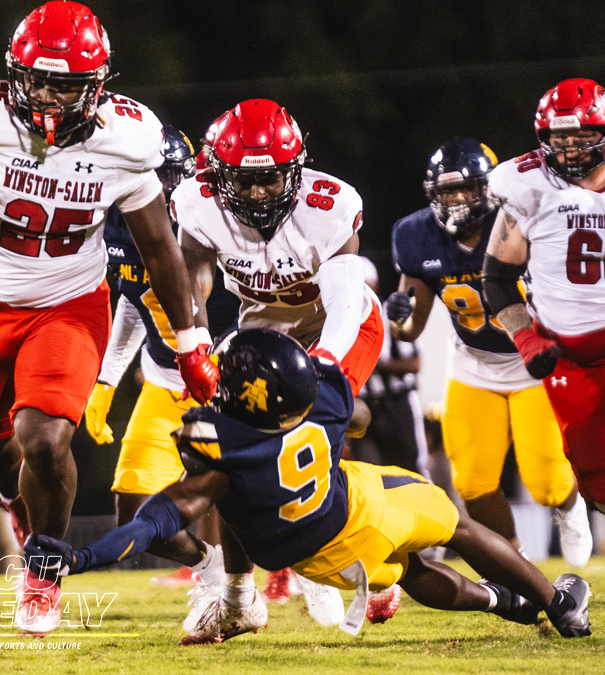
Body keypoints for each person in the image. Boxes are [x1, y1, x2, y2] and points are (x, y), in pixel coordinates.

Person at [0, 0, 217, 635]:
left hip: (71, 302)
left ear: (97, 85)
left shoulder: (127, 139)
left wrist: (193, 340)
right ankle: (25, 509)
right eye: (38, 79)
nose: (49, 95)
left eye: (66, 83)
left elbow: (158, 248)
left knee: (44, 438)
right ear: (15, 73)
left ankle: (42, 575)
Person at [25, 328, 593, 641]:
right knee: (459, 529)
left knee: (412, 571)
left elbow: (150, 522)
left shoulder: (219, 451)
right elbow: (361, 414)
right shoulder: (323, 400)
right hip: (355, 506)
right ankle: (558, 604)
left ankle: (503, 603)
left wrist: (78, 556)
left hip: (311, 559)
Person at [175, 99, 389, 622]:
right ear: (217, 172)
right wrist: (198, 342)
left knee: (306, 432)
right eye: (243, 181)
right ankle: (237, 596)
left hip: (342, 324)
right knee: (219, 446)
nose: (256, 193)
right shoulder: (197, 202)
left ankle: (350, 567)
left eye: (269, 179)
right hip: (262, 328)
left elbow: (343, 293)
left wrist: (323, 367)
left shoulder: (330, 204)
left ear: (295, 169)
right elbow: (195, 280)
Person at [81, 124, 252, 637]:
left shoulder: (211, 227)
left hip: (226, 379)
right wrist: (106, 381)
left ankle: (353, 575)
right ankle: (210, 570)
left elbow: (253, 308)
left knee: (245, 498)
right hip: (163, 380)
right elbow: (135, 302)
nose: (158, 195)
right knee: (132, 514)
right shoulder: (114, 227)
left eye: (168, 182)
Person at [389, 136, 592, 567]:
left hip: (533, 360)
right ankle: (513, 563)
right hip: (474, 364)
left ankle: (570, 508)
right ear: (433, 194)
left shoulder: (521, 222)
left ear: (490, 189)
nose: (458, 199)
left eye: (467, 188)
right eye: (447, 191)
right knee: (473, 483)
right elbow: (410, 329)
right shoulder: (416, 236)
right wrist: (399, 315)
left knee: (546, 483)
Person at [483, 78, 605, 534]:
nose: (571, 150)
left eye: (583, 137)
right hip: (571, 358)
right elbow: (496, 277)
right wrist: (525, 336)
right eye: (559, 139)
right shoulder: (527, 185)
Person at [353, 257, 427, 476]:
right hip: (362, 406)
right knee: (368, 476)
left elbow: (415, 363)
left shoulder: (389, 315)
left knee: (411, 470)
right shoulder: (338, 319)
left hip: (397, 403)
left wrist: (375, 362)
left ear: (374, 286)